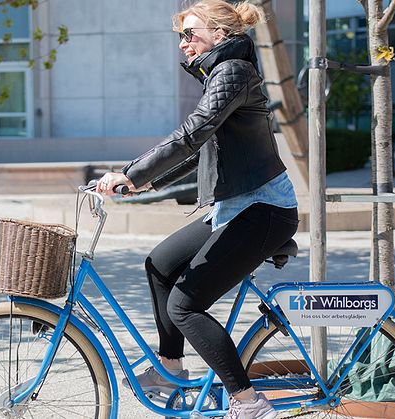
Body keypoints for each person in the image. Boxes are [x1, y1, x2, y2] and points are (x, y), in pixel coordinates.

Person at [97, 1, 298, 418]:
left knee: (184, 305)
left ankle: (249, 403)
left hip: (264, 210)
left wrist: (131, 173)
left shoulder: (234, 72)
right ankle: (171, 365)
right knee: (159, 265)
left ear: (220, 35)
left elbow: (191, 135)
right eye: (183, 36)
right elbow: (203, 147)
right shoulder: (220, 75)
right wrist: (146, 182)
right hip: (238, 206)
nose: (185, 44)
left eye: (191, 33)